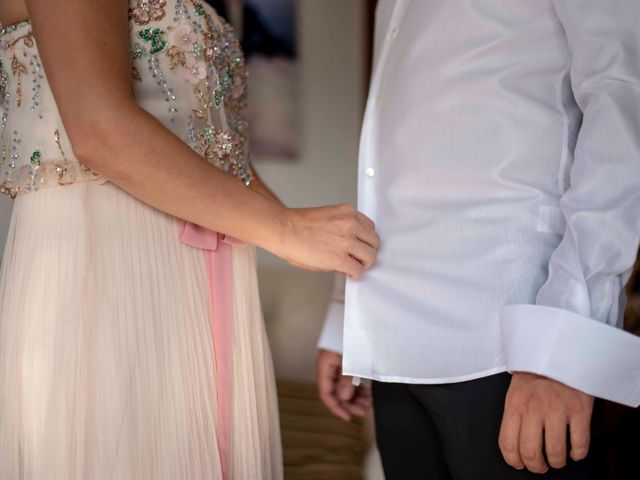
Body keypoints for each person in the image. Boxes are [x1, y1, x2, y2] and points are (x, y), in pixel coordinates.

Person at [0, 0, 379, 478]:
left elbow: (218, 151)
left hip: (207, 263)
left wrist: (320, 256)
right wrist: (285, 231)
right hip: (110, 259)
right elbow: (99, 128)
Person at [317, 1, 640, 479]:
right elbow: (387, 153)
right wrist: (346, 311)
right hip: (389, 340)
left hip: (512, 340)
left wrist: (563, 349)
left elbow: (624, 99)